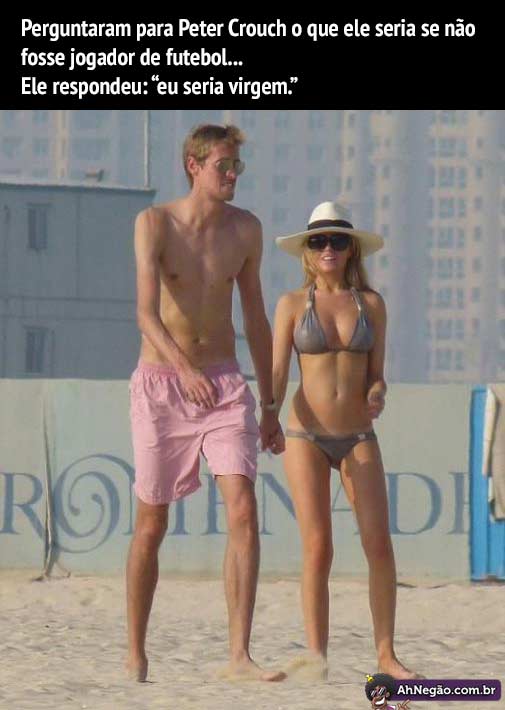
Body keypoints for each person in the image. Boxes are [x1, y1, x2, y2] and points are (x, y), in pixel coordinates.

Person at [126, 124, 285, 683]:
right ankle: (136, 651)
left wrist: (270, 402)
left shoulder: (246, 230)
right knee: (152, 523)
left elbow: (256, 318)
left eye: (237, 165)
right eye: (224, 165)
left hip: (223, 384)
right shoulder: (154, 224)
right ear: (193, 166)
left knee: (243, 508)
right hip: (162, 383)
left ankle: (240, 653)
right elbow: (145, 313)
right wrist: (181, 367)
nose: (233, 174)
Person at [272, 200, 417, 679]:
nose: (328, 248)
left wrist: (377, 393)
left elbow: (377, 375)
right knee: (318, 546)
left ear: (351, 248)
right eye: (318, 241)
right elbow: (278, 373)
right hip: (305, 434)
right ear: (307, 250)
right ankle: (316, 654)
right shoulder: (292, 305)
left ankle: (386, 654)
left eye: (337, 240)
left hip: (357, 433)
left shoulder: (370, 304)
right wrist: (267, 414)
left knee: (379, 544)